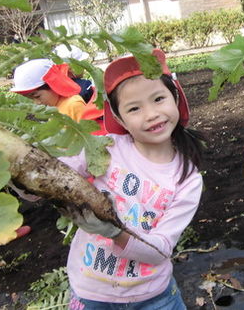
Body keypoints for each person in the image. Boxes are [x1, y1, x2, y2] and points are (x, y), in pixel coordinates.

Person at [15, 49, 204, 309]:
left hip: (153, 298)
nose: (150, 114)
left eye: (159, 99)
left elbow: (160, 250)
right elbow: (48, 180)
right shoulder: (104, 147)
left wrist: (115, 232)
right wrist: (13, 167)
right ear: (118, 118)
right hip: (91, 293)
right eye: (134, 108)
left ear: (176, 98)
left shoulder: (187, 178)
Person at [11, 58, 106, 135]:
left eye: (37, 96)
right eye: (31, 99)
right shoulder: (54, 106)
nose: (37, 102)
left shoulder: (73, 105)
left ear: (53, 85)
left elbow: (87, 135)